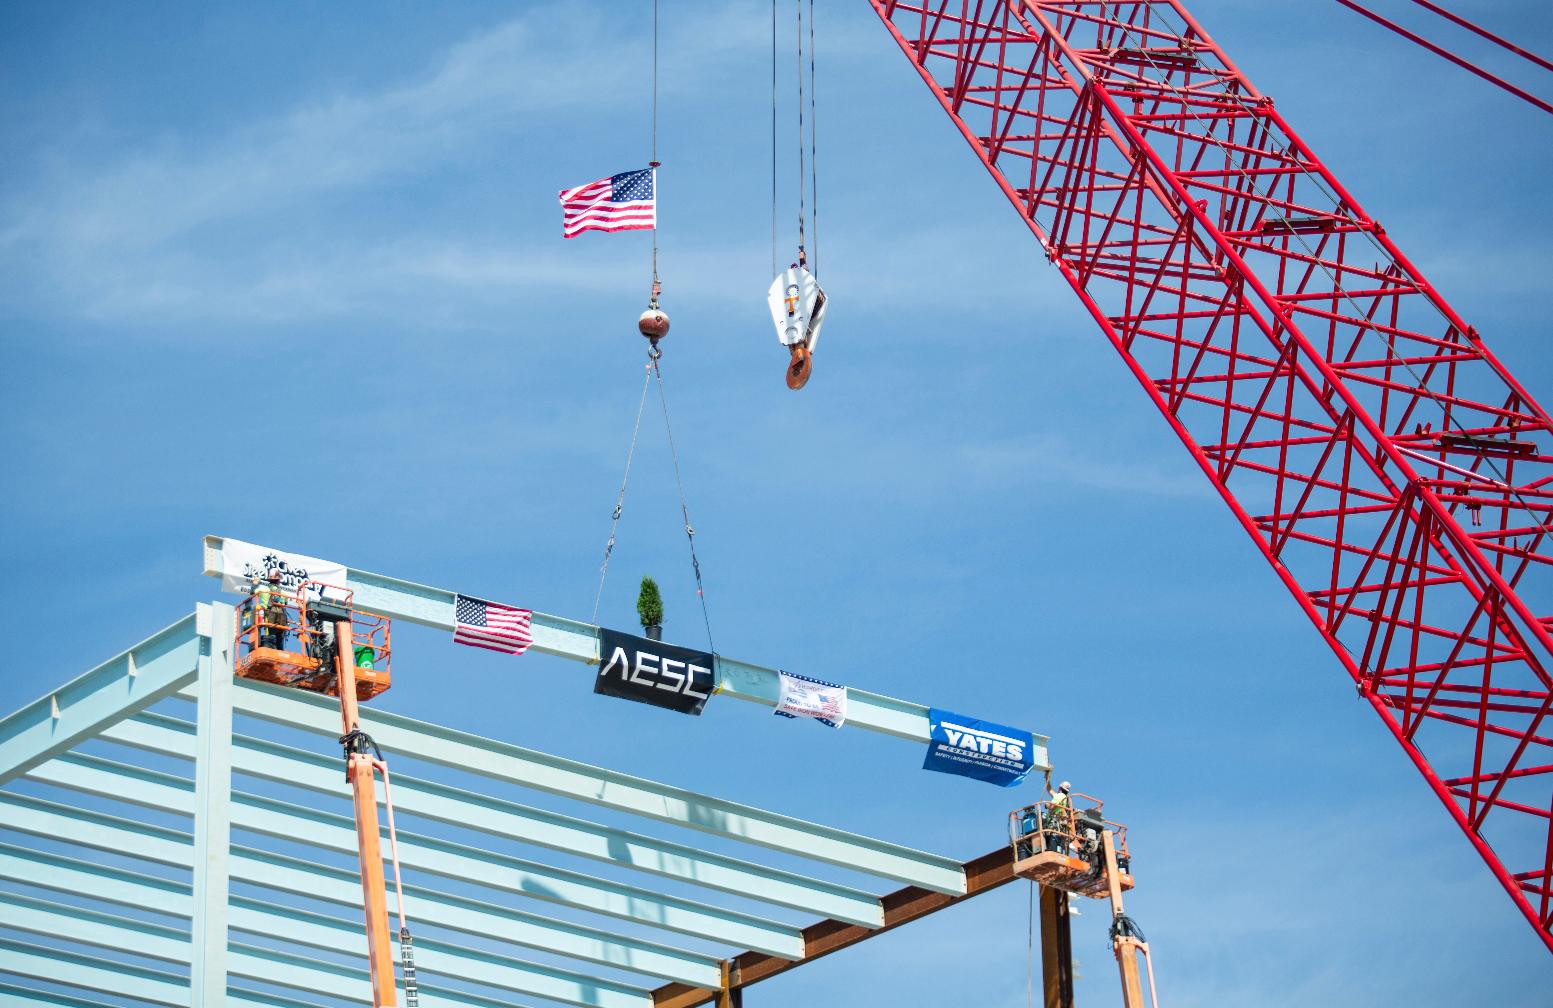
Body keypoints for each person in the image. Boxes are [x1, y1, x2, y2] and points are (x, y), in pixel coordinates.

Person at [255, 572, 290, 651]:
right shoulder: (283, 592)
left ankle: (270, 649)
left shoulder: (264, 589)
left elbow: (252, 591)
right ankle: (280, 652)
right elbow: (286, 603)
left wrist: (255, 583)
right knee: (280, 638)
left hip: (270, 616)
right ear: (278, 581)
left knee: (270, 636)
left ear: (269, 580)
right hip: (282, 617)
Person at [1044, 780, 1073, 855]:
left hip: (1055, 822)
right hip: (1057, 823)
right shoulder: (1061, 796)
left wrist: (1047, 805)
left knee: (1052, 838)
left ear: (1060, 787)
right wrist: (1047, 778)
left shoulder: (1060, 796)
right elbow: (1049, 790)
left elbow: (1052, 806)